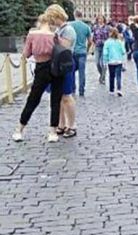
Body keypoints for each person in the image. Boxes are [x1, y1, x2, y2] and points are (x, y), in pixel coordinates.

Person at [13, 12, 64, 143]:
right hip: (57, 69)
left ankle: (19, 129)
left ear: (40, 22)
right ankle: (53, 132)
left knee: (33, 99)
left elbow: (26, 53)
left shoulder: (32, 34)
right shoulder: (55, 35)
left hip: (41, 68)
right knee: (55, 101)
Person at [54, 5, 78, 139]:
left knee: (67, 96)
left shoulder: (68, 29)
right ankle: (62, 124)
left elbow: (65, 46)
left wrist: (54, 38)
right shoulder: (59, 29)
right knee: (60, 96)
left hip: (66, 64)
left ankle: (72, 125)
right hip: (59, 64)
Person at [70, 10, 92, 97]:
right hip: (82, 52)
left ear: (74, 15)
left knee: (71, 72)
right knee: (82, 72)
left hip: (72, 52)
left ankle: (73, 89)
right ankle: (81, 90)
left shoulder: (70, 25)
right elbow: (90, 41)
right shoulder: (86, 27)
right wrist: (87, 49)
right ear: (82, 16)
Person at [103, 27, 126, 96]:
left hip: (111, 61)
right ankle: (119, 89)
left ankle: (111, 90)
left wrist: (105, 61)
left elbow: (105, 53)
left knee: (111, 76)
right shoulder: (119, 42)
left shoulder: (107, 42)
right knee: (118, 76)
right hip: (119, 61)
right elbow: (123, 51)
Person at [92, 15, 110, 84]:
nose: (100, 20)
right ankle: (102, 75)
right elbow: (93, 37)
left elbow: (109, 36)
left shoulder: (107, 27)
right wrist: (93, 44)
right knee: (97, 63)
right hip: (97, 46)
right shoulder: (95, 27)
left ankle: (103, 78)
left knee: (103, 63)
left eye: (101, 19)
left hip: (105, 47)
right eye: (99, 19)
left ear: (104, 20)